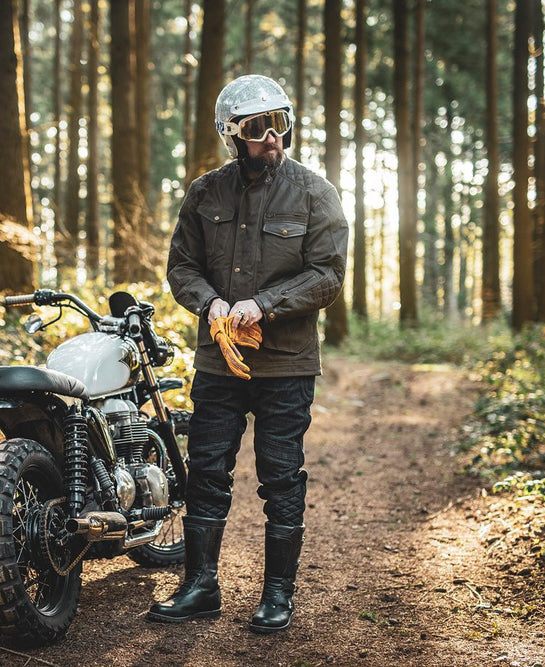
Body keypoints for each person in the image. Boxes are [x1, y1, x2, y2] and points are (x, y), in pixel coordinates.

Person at [147, 74, 349, 633]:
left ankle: (277, 595)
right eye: (258, 128)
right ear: (232, 135)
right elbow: (181, 267)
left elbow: (328, 276)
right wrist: (211, 305)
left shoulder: (315, 193)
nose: (272, 138)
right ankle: (199, 586)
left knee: (281, 474)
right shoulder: (204, 194)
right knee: (206, 470)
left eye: (280, 124)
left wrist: (263, 305)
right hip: (218, 361)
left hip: (286, 363)